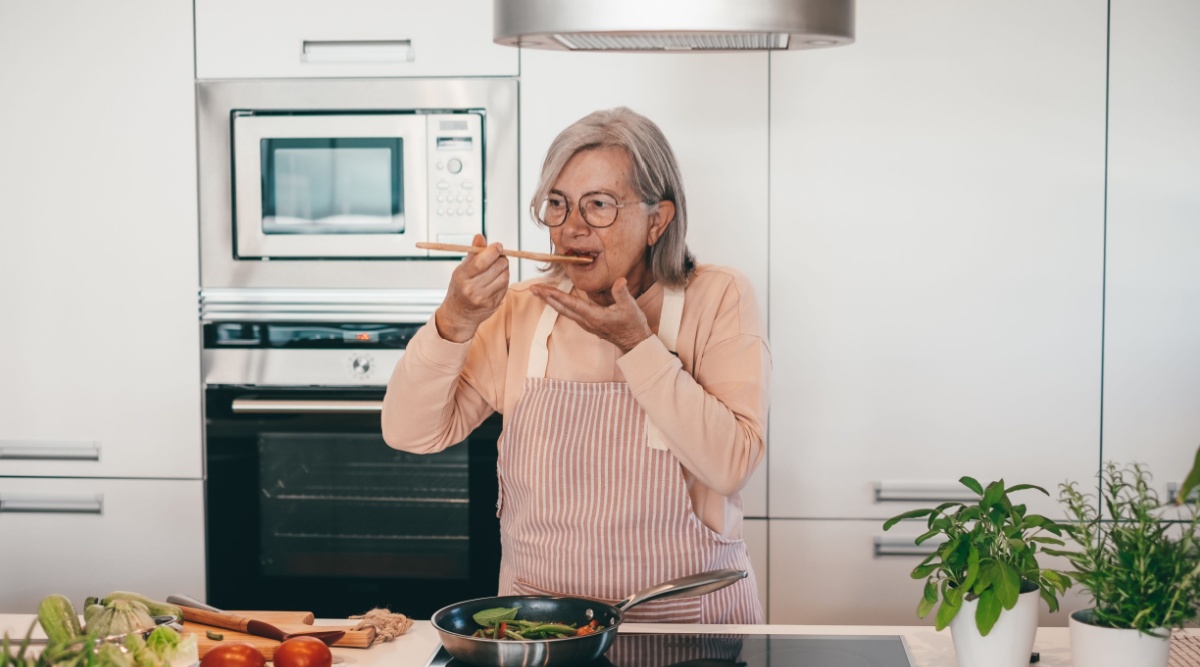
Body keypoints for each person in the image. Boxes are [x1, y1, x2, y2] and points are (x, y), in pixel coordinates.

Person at [382, 107, 769, 624]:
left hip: (687, 623)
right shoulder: (519, 308)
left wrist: (637, 344)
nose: (572, 229)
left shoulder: (719, 297)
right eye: (558, 206)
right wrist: (454, 320)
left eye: (599, 205)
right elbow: (410, 433)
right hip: (542, 628)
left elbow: (730, 464)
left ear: (658, 220)